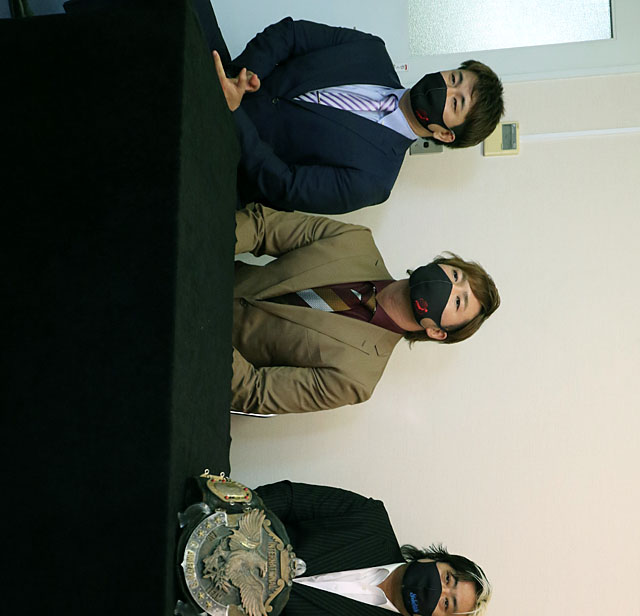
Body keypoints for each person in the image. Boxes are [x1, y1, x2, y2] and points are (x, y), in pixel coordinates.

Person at [206, 12, 504, 214]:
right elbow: (292, 34)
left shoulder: (376, 180)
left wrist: (234, 112)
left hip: (221, 166)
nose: (445, 90)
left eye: (456, 103)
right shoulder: (371, 50)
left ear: (445, 135)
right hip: (216, 77)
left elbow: (286, 185)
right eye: (454, 78)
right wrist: (242, 76)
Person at [233, 203, 500, 414]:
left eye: (458, 302)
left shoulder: (358, 378)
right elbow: (262, 227)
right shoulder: (355, 241)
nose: (449, 287)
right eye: (455, 276)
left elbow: (255, 390)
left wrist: (211, 333)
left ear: (437, 332)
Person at [255, 480, 491, 616]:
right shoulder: (369, 516)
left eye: (447, 603)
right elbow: (289, 498)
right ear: (435, 558)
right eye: (447, 578)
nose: (436, 590)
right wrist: (237, 519)